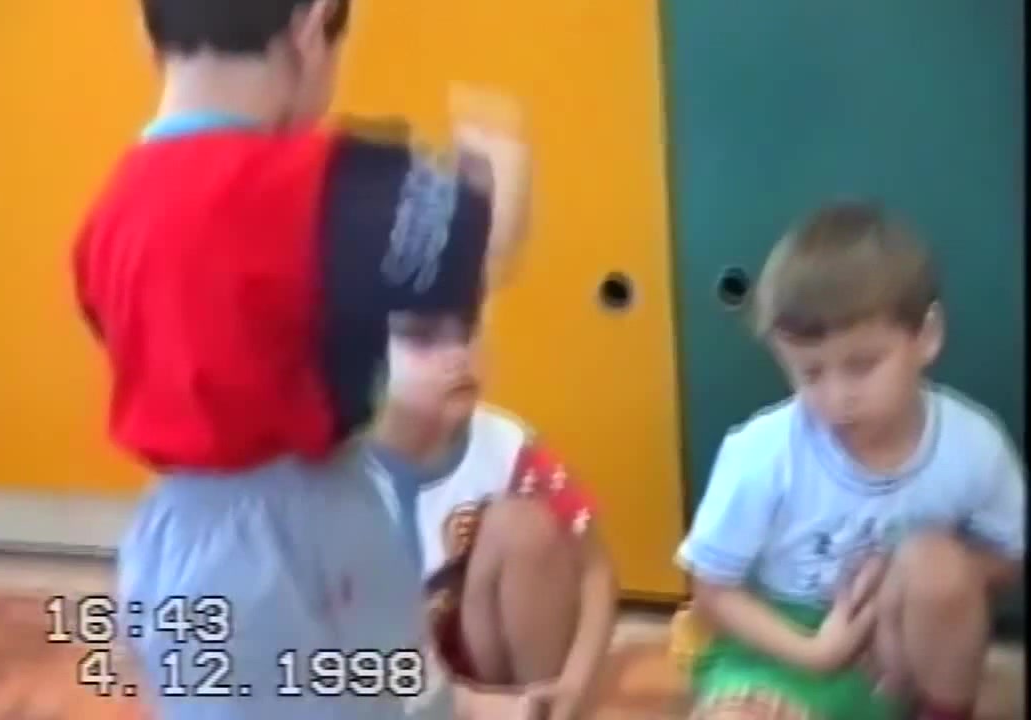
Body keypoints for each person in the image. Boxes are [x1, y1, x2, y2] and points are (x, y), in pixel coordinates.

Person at [70, 0, 532, 717]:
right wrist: (502, 162)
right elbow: (485, 244)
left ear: (147, 34)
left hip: (173, 539)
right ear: (311, 27)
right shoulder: (322, 182)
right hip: (305, 531)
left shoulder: (107, 215)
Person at [675, 201, 1025, 720]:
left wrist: (906, 580)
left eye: (862, 366)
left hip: (896, 655)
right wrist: (815, 653)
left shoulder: (974, 443)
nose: (838, 398)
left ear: (926, 335)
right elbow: (712, 589)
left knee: (937, 564)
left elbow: (1009, 557)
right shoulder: (761, 452)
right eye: (811, 373)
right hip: (780, 649)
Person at [365, 310, 618, 720]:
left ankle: (538, 706)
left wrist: (574, 684)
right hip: (388, 679)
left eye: (467, 333)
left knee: (524, 526)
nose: (458, 357)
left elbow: (596, 571)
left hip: (482, 660)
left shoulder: (506, 444)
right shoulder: (332, 474)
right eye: (422, 338)